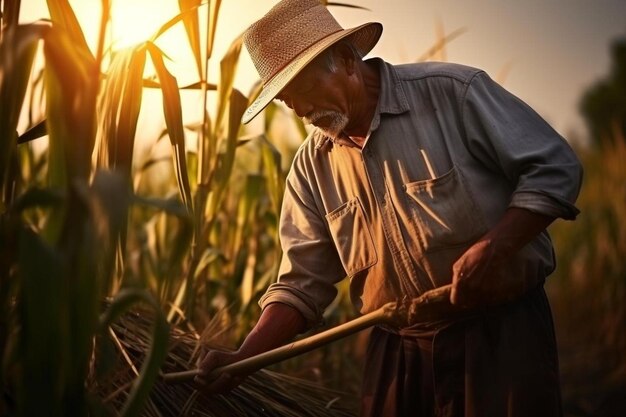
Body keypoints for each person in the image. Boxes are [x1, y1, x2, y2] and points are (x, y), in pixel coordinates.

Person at [195, 0, 583, 416]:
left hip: (501, 336)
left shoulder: (453, 93)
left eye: (302, 89)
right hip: (399, 352)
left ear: (345, 59)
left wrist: (496, 246)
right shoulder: (312, 167)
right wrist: (243, 358)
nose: (300, 111)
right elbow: (301, 284)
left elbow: (554, 168)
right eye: (286, 101)